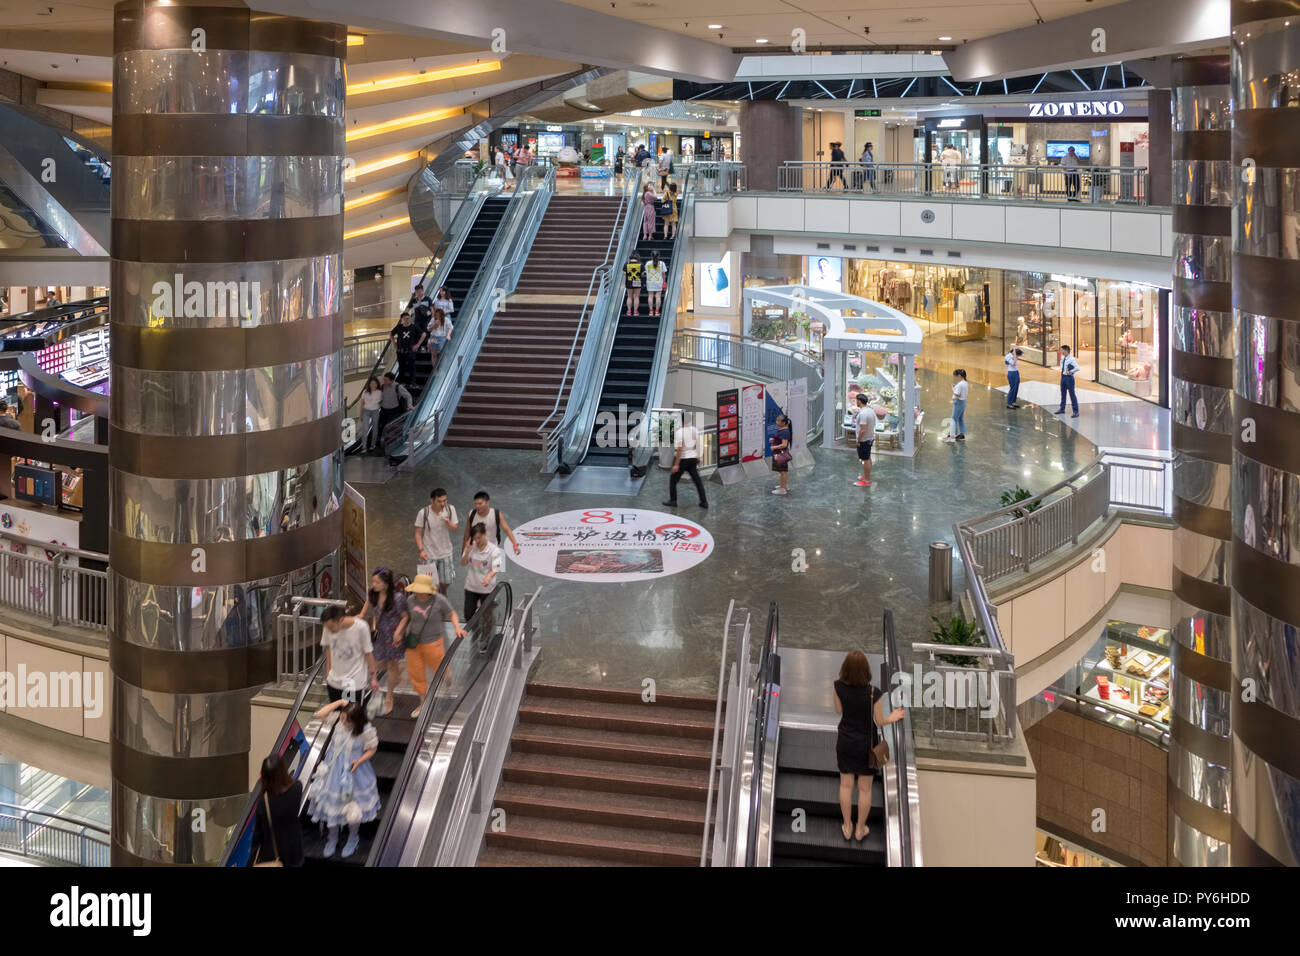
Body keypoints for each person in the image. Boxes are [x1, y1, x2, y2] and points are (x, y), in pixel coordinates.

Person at [833, 650, 904, 841]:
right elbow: (879, 721)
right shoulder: (874, 693)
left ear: (845, 669)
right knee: (865, 789)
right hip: (866, 746)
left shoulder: (838, 686)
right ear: (866, 670)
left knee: (845, 786)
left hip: (845, 742)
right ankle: (860, 829)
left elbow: (839, 710)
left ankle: (846, 826)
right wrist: (893, 717)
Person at [307, 699, 381, 859]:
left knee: (353, 806)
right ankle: (332, 837)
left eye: (347, 719)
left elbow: (372, 748)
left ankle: (353, 837)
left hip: (353, 771)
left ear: (357, 720)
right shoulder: (338, 721)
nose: (343, 721)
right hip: (333, 769)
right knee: (332, 804)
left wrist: (359, 761)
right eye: (342, 717)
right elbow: (319, 714)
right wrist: (340, 703)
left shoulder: (365, 730)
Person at [401, 574, 467, 718]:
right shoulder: (410, 600)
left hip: (433, 642)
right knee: (416, 673)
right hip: (413, 644)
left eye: (421, 590)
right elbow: (405, 617)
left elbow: (452, 614)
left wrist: (457, 627)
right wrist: (399, 633)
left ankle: (447, 674)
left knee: (440, 668)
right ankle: (422, 702)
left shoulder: (439, 600)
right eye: (416, 590)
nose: (418, 593)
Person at [360, 568, 409, 717]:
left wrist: (398, 632)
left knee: (391, 665)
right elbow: (369, 601)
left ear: (386, 584)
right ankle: (398, 674)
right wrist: (362, 614)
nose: (374, 584)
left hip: (394, 637)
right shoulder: (373, 593)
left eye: (377, 582)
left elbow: (405, 617)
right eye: (373, 581)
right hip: (381, 636)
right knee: (375, 663)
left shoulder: (398, 598)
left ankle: (389, 696)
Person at [251, 754, 304, 867]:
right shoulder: (297, 787)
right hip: (294, 849)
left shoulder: (263, 801)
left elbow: (258, 834)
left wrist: (252, 856)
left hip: (273, 854)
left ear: (265, 776)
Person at [319, 605, 378, 704]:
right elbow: (329, 648)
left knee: (351, 716)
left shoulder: (361, 627)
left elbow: (368, 652)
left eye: (331, 628)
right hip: (333, 682)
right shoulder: (328, 627)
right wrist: (328, 670)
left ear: (341, 620)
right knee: (336, 715)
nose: (329, 631)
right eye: (327, 628)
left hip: (354, 683)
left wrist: (374, 677)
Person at [414, 487, 459, 594]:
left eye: (444, 500)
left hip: (446, 552)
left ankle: (442, 592)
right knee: (428, 584)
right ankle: (433, 601)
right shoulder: (423, 513)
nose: (443, 503)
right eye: (439, 501)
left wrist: (448, 523)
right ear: (432, 500)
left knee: (446, 581)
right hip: (429, 553)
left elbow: (455, 529)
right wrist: (421, 550)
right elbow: (417, 533)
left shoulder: (450, 509)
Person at [461, 522, 504, 623]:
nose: (477, 541)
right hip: (471, 586)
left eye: (479, 538)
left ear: (485, 535)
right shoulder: (471, 546)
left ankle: (486, 634)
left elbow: (497, 568)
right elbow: (463, 563)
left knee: (487, 616)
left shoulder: (495, 550)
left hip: (487, 589)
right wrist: (467, 552)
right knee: (468, 615)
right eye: (475, 538)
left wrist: (488, 577)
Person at [663, 418, 707, 509]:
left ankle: (673, 501)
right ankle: (704, 502)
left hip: (683, 460)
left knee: (673, 480)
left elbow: (679, 449)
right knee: (697, 481)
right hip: (692, 459)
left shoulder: (679, 433)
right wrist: (698, 456)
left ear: (681, 423)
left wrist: (676, 464)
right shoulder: (694, 429)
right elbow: (698, 444)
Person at [462, 490, 521, 556]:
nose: (477, 506)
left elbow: (507, 530)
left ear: (488, 502)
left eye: (480, 504)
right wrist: (464, 551)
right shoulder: (471, 514)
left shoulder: (496, 514)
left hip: (492, 551)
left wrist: (515, 545)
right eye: (475, 504)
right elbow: (467, 533)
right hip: (476, 551)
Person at [390, 310, 425, 385]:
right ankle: (402, 382)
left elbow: (423, 334)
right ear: (401, 320)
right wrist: (394, 344)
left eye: (408, 318)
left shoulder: (414, 326)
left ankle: (413, 382)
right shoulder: (399, 327)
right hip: (400, 351)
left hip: (410, 351)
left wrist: (418, 345)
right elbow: (391, 334)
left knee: (411, 367)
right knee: (401, 368)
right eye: (405, 318)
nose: (407, 320)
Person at [377, 372, 413, 442]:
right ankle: (381, 440)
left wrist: (409, 405)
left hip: (394, 411)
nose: (384, 381)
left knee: (389, 426)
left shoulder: (398, 387)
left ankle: (389, 441)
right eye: (384, 379)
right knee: (381, 425)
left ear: (392, 380)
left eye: (386, 380)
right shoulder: (382, 387)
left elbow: (408, 396)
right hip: (383, 410)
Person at [854, 393, 876, 487]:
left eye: (856, 400)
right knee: (868, 458)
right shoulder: (870, 410)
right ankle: (866, 476)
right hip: (870, 438)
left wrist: (858, 440)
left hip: (864, 440)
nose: (856, 402)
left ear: (859, 401)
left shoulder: (863, 413)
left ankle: (866, 481)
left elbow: (862, 429)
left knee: (866, 459)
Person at [357, 377, 383, 453]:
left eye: (375, 383)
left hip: (375, 411)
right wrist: (361, 414)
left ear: (377, 384)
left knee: (375, 429)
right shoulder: (365, 392)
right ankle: (364, 447)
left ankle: (373, 445)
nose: (373, 385)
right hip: (366, 411)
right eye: (372, 383)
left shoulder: (380, 392)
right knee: (365, 429)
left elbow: (381, 402)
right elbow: (362, 404)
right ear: (369, 384)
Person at [943, 368, 969, 442]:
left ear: (960, 375)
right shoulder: (965, 383)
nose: (956, 377)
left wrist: (952, 388)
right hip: (963, 402)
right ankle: (962, 434)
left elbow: (957, 394)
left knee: (954, 419)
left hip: (958, 403)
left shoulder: (960, 384)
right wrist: (955, 387)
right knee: (960, 419)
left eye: (956, 376)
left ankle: (952, 436)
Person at [770, 414, 792, 496]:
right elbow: (780, 440)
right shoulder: (783, 430)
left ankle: (782, 489)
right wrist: (774, 439)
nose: (776, 422)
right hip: (779, 453)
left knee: (783, 471)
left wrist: (774, 447)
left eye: (778, 420)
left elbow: (784, 444)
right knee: (783, 471)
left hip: (780, 453)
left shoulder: (785, 432)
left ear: (783, 423)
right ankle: (783, 486)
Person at [1056, 344, 1080, 418]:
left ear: (1066, 351)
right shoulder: (1064, 358)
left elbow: (1077, 368)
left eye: (1062, 350)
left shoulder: (1071, 359)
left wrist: (1071, 371)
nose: (1061, 351)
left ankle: (1076, 412)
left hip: (1069, 378)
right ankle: (1062, 408)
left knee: (1072, 395)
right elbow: (1061, 365)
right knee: (1063, 394)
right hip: (1063, 377)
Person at [644, 250, 666, 317]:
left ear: (651, 256)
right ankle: (657, 311)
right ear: (659, 256)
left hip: (650, 282)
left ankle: (651, 311)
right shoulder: (662, 263)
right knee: (658, 297)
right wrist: (664, 282)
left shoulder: (648, 263)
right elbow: (663, 274)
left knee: (650, 296)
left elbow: (646, 272)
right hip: (658, 282)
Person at [624, 251, 643, 316]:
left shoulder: (627, 264)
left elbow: (624, 273)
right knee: (636, 297)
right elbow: (642, 273)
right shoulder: (640, 264)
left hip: (629, 281)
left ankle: (629, 311)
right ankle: (635, 311)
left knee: (629, 297)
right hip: (637, 281)